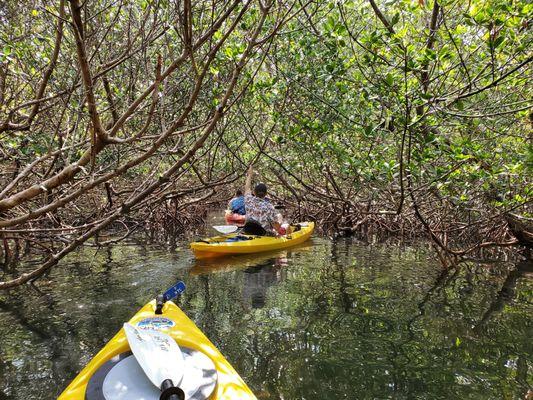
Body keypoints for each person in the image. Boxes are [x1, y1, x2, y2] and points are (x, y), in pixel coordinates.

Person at [242, 166, 282, 236]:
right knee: (285, 223)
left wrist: (250, 175)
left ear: (254, 192)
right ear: (266, 194)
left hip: (248, 233)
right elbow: (277, 228)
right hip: (264, 235)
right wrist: (280, 219)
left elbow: (247, 188)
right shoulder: (269, 207)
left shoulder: (248, 200)